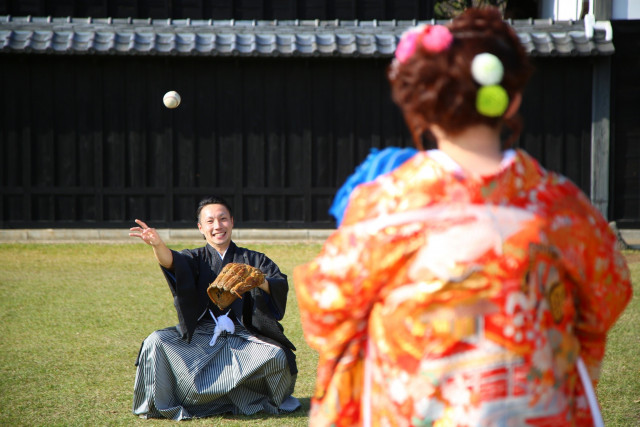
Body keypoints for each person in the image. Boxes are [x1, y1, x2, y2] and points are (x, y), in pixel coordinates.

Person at [294, 7, 632, 427]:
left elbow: (326, 312)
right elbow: (606, 295)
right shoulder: (562, 207)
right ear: (513, 100)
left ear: (420, 105)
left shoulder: (384, 209)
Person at [129, 195, 299, 420]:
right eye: (210, 221)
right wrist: (158, 245)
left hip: (245, 336)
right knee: (156, 342)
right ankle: (163, 401)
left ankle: (256, 399)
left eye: (223, 219)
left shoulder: (254, 259)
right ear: (201, 227)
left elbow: (278, 284)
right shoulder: (194, 258)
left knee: (277, 355)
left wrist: (261, 281)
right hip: (203, 334)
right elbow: (171, 261)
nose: (218, 226)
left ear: (232, 222)